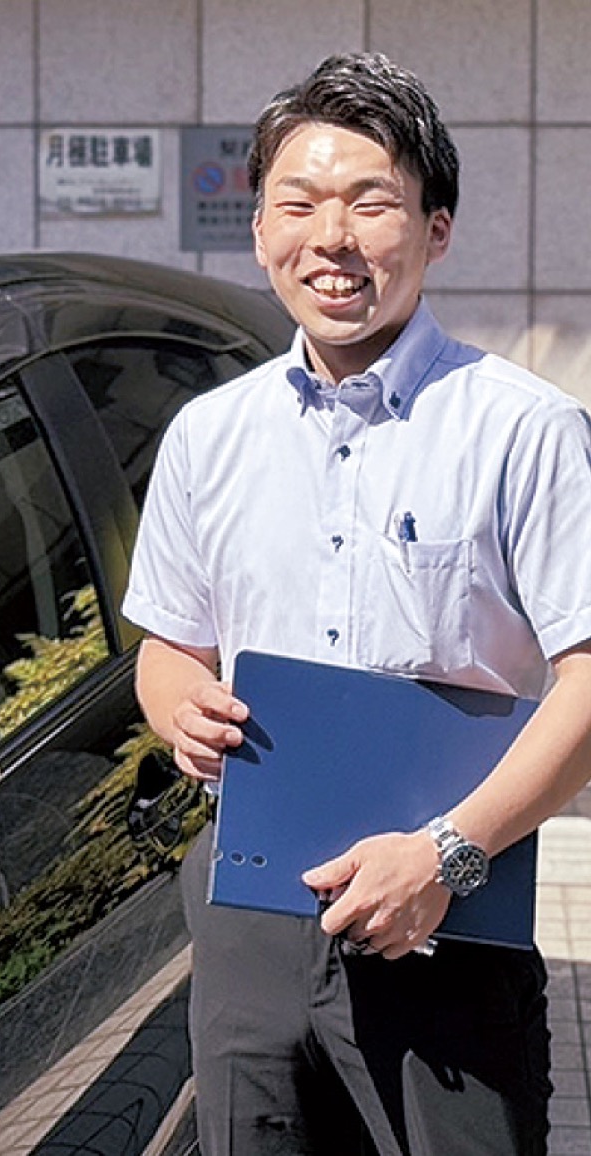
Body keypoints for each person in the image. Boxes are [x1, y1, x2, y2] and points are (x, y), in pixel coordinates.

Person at [122, 52, 591, 1155]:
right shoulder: (210, 434)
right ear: (260, 231)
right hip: (250, 906)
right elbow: (169, 644)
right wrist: (177, 698)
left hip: (451, 917)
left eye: (371, 202)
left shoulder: (527, 431)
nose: (330, 238)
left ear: (435, 227)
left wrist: (449, 855)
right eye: (298, 204)